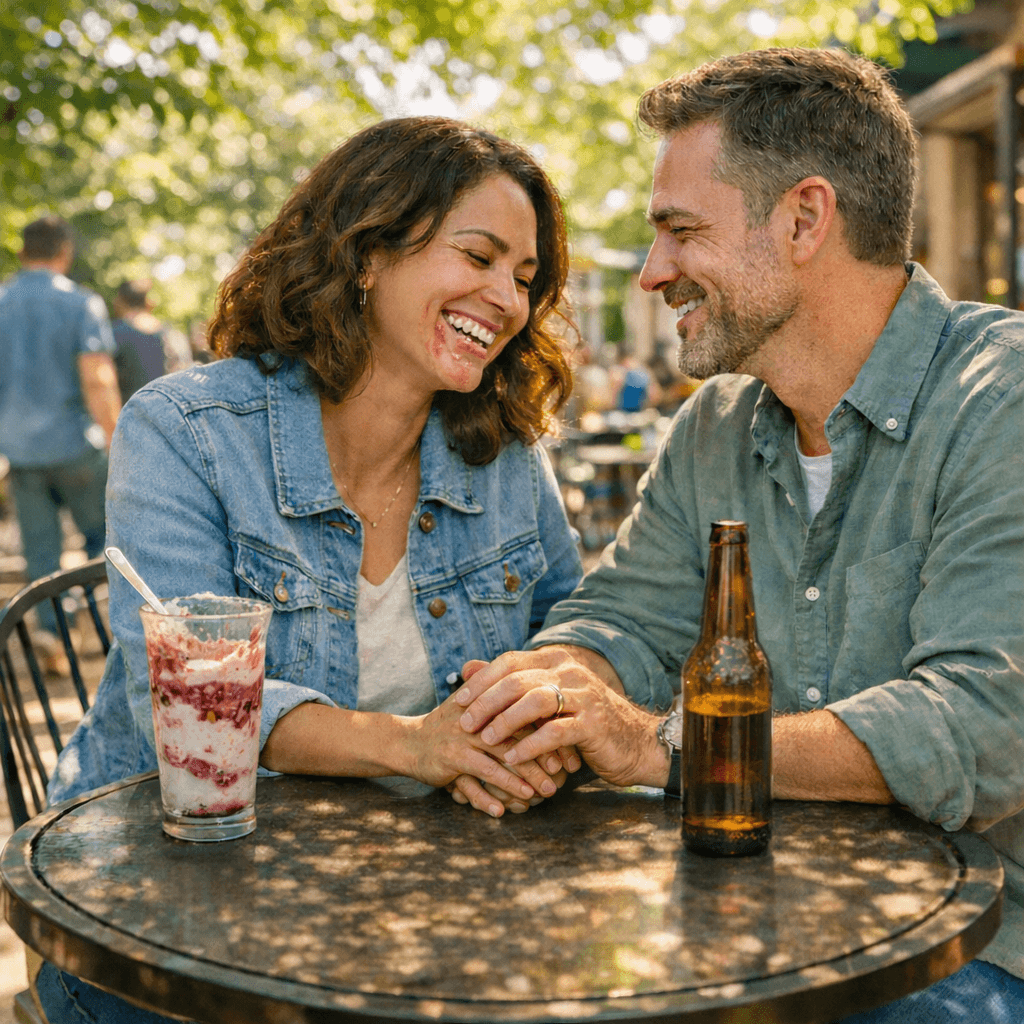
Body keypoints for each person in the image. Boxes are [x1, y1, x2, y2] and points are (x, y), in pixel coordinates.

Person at [453, 48, 1024, 1023]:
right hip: (741, 919)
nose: (649, 273)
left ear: (804, 219)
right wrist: (548, 696)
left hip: (971, 950)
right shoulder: (714, 422)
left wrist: (667, 745)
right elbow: (623, 616)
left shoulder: (998, 400)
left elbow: (982, 724)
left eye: (679, 231)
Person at [38, 116, 583, 1022]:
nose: (507, 298)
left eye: (524, 278)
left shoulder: (502, 455)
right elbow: (179, 694)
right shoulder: (188, 432)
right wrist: (420, 747)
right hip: (160, 920)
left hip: (415, 909)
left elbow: (573, 632)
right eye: (479, 256)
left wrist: (542, 719)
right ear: (369, 250)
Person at [0, 216, 120, 648]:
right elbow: (98, 380)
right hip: (76, 448)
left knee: (41, 550)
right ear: (64, 253)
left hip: (20, 451)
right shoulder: (81, 303)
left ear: (21, 253)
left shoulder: (2, 300)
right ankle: (103, 624)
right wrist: (117, 437)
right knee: (102, 539)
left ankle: (52, 631)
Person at [110, 278, 190, 400]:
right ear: (149, 304)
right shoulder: (174, 336)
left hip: (127, 413)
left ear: (119, 301)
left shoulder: (114, 334)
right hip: (167, 413)